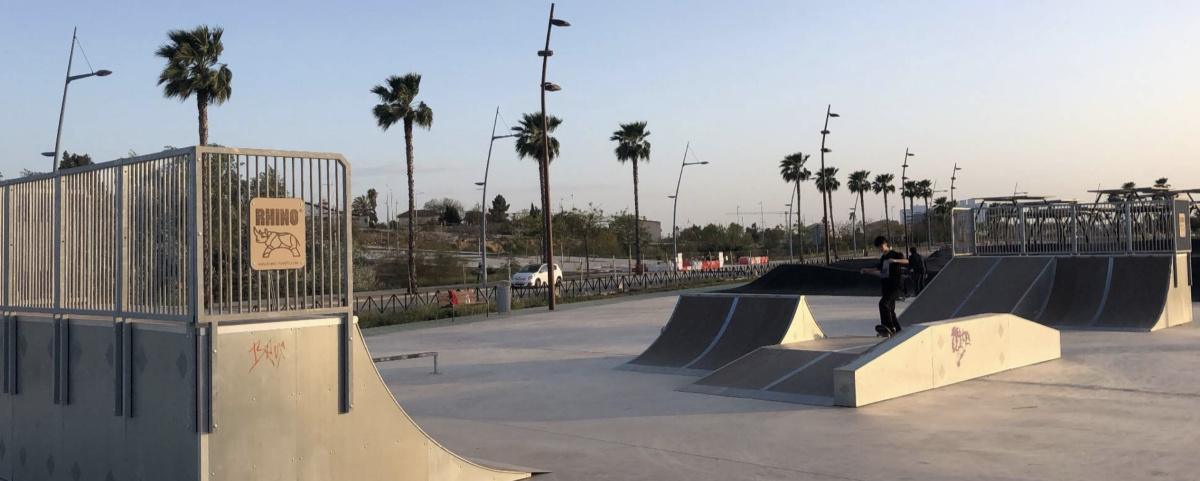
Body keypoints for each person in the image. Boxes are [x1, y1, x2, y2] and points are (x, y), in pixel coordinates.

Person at [860, 236, 908, 336]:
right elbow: (878, 269)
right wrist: (866, 270)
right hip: (886, 286)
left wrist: (895, 261)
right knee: (891, 310)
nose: (880, 248)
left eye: (881, 246)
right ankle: (898, 331)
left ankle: (889, 327)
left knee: (883, 304)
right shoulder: (883, 258)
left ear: (886, 244)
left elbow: (906, 261)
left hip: (895, 286)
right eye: (879, 247)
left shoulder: (895, 254)